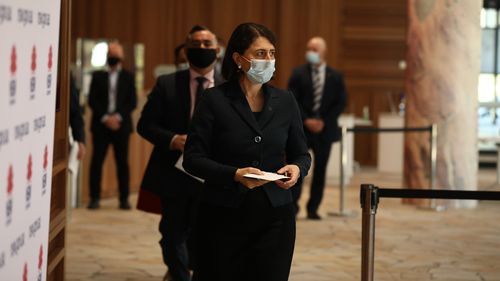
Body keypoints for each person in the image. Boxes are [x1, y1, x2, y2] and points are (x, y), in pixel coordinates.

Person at [183, 23, 311, 281]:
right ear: (238, 58)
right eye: (260, 53)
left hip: (275, 218)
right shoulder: (214, 99)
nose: (268, 60)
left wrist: (297, 169)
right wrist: (234, 174)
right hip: (223, 216)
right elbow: (193, 159)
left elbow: (301, 154)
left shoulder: (285, 101)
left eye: (272, 53)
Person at [137, 25, 223, 281]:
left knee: (203, 234)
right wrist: (173, 140)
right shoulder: (167, 84)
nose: (202, 48)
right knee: (172, 233)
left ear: (217, 50)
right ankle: (179, 275)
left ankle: (191, 270)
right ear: (186, 50)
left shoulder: (231, 86)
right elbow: (145, 125)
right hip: (173, 172)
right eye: (196, 43)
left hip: (212, 174)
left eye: (208, 44)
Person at [287, 36, 347, 220]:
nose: (310, 52)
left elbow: (341, 102)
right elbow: (292, 99)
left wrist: (324, 122)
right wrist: (306, 120)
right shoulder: (298, 73)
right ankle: (293, 207)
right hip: (302, 130)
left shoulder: (335, 76)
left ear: (324, 52)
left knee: (320, 171)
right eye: (308, 48)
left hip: (324, 131)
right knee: (297, 167)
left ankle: (313, 208)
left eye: (314, 49)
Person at [87, 41, 137, 210]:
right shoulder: (97, 76)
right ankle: (94, 198)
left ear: (121, 57)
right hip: (101, 126)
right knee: (97, 162)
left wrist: (117, 117)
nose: (113, 57)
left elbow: (132, 102)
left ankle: (124, 199)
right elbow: (92, 100)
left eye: (116, 54)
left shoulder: (129, 77)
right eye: (110, 54)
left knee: (122, 163)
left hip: (121, 126)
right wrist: (105, 117)